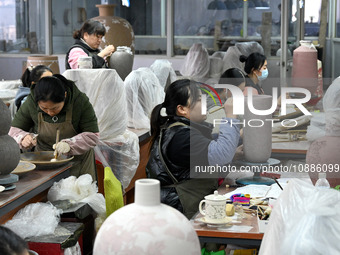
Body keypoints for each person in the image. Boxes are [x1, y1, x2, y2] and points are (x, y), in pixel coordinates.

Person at [146, 79, 241, 219]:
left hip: (186, 204)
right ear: (182, 109)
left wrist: (235, 150)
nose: (205, 102)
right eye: (198, 99)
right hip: (180, 212)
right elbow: (221, 154)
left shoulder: (180, 129)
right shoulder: (181, 137)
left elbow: (210, 148)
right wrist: (231, 116)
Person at [9, 74, 99, 180]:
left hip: (77, 161)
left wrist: (70, 144)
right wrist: (23, 138)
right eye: (44, 108)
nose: (50, 113)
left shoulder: (79, 101)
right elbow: (13, 130)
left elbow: (93, 135)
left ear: (64, 96)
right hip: (43, 162)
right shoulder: (31, 102)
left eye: (55, 108)